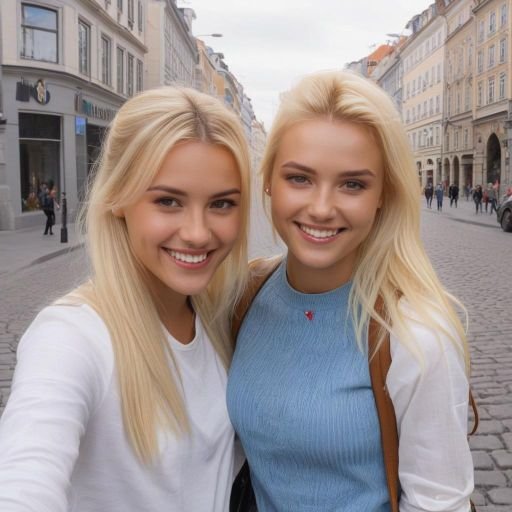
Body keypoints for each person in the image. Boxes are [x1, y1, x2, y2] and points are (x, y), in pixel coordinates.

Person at [227, 71, 473, 511]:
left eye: (353, 184)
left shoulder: (415, 333)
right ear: (268, 182)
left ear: (383, 194)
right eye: (299, 178)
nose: (322, 208)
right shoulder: (243, 297)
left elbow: (441, 502)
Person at [0, 87, 251, 512]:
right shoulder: (72, 336)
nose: (197, 232)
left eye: (221, 204)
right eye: (168, 201)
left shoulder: (221, 317)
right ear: (118, 197)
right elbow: (25, 479)